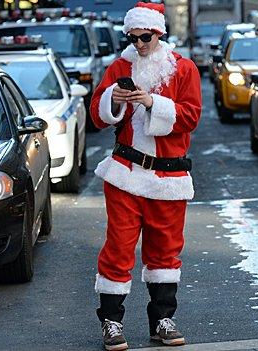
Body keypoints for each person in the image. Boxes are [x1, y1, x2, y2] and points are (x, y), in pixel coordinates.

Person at [89, 2, 202, 350]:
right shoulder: (119, 66)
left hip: (169, 178)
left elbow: (191, 116)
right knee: (118, 248)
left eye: (145, 37)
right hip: (125, 174)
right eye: (133, 37)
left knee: (166, 252)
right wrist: (114, 98)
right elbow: (97, 114)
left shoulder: (183, 68)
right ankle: (111, 322)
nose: (139, 44)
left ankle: (162, 321)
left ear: (159, 33)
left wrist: (153, 103)